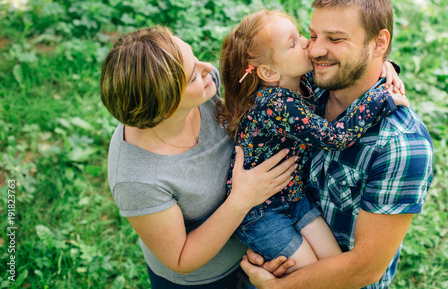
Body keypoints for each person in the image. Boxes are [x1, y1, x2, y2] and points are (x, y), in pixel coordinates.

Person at [240, 0, 434, 289]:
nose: (315, 50)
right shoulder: (306, 85)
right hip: (273, 245)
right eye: (313, 35)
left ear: (379, 43)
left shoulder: (401, 146)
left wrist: (277, 286)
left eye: (335, 39)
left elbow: (364, 270)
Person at [99, 25, 300, 288]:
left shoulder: (206, 89)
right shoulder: (137, 179)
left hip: (255, 246)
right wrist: (242, 199)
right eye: (192, 76)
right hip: (206, 280)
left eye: (194, 58)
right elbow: (180, 257)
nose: (207, 68)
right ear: (166, 105)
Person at [215, 10, 409, 273]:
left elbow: (346, 68)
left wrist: (384, 66)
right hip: (261, 212)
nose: (308, 42)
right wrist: (380, 99)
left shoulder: (299, 80)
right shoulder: (275, 103)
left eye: (301, 35)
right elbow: (333, 137)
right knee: (310, 274)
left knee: (333, 266)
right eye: (293, 43)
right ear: (270, 71)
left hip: (296, 198)